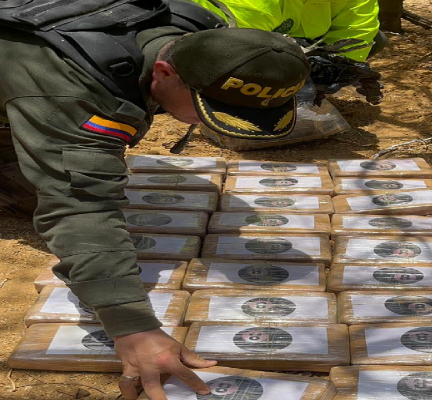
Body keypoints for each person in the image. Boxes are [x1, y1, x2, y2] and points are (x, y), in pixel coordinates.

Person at [0, 1, 311, 399]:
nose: (208, 124)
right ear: (164, 73)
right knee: (46, 188)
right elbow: (79, 206)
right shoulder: (66, 85)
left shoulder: (210, 35)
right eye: (207, 109)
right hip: (27, 66)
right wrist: (133, 326)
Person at [192, 0, 385, 105]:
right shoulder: (252, 4)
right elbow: (239, 52)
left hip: (291, 39)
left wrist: (335, 70)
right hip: (209, 38)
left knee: (377, 40)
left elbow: (357, 34)